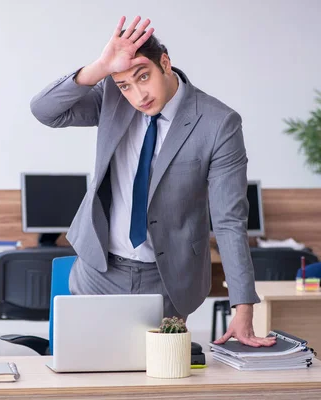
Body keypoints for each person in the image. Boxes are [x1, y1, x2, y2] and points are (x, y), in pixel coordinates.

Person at [30, 16, 275, 347]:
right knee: (85, 373)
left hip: (167, 281)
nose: (138, 95)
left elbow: (229, 220)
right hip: (98, 270)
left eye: (143, 76)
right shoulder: (112, 99)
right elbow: (45, 110)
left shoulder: (219, 124)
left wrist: (243, 307)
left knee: (158, 379)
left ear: (165, 63)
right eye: (125, 85)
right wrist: (101, 67)